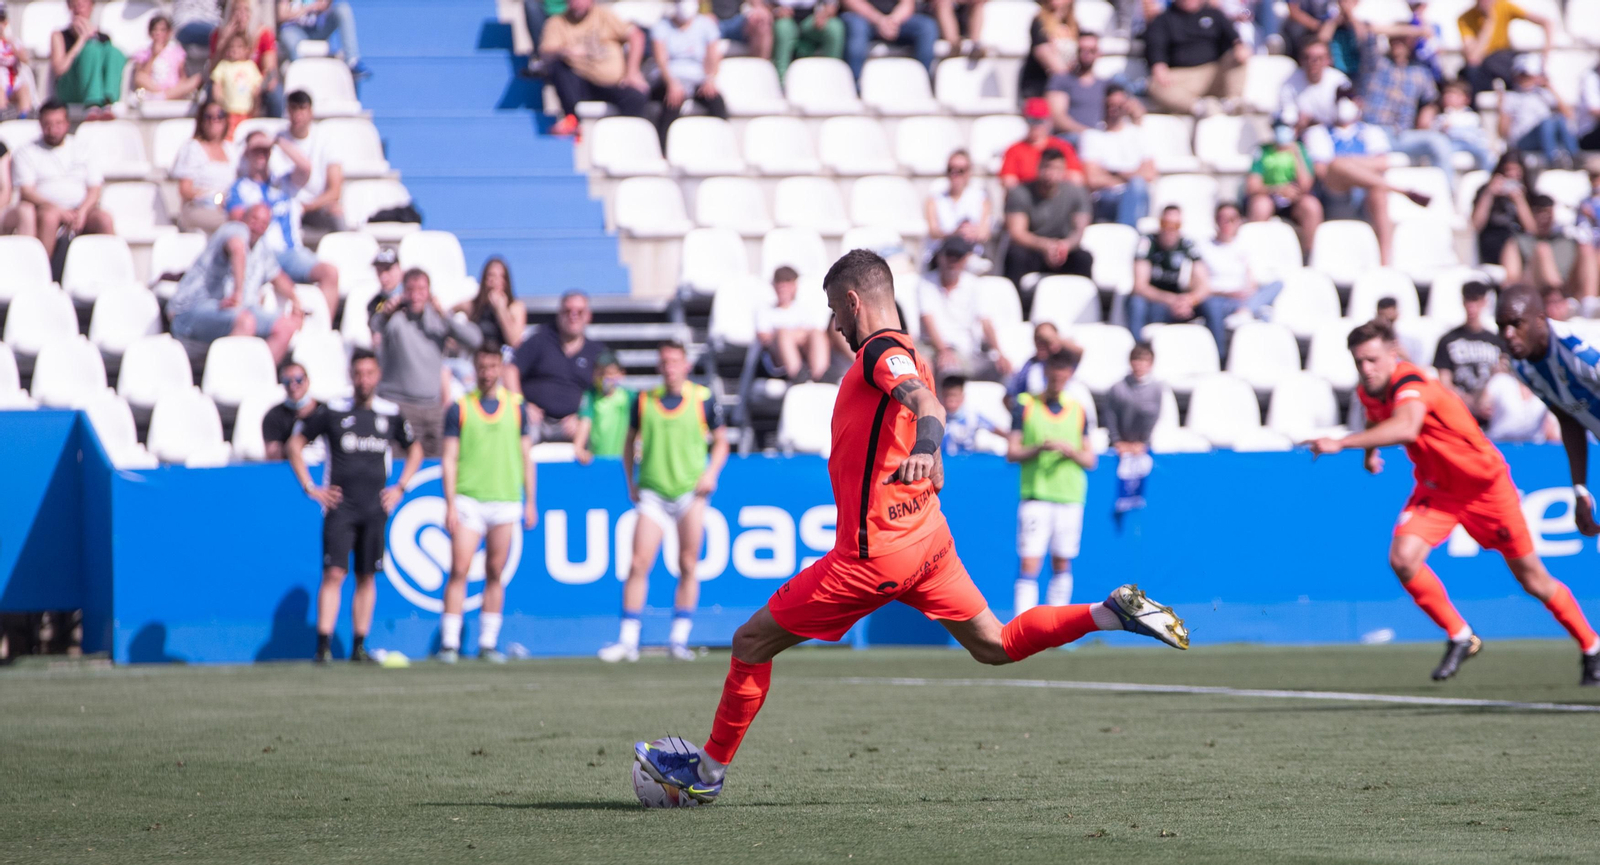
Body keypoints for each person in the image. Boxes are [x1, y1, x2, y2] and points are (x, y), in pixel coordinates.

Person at [630, 250, 1188, 803]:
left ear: (853, 301)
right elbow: (921, 420)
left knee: (750, 641)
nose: (835, 325)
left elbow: (925, 405)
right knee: (995, 643)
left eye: (834, 310)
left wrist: (926, 445)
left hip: (872, 557)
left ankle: (707, 772)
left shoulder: (881, 352)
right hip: (928, 544)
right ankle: (1108, 612)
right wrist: (928, 458)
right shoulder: (912, 353)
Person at [1305, 318, 1599, 685]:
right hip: (1438, 489)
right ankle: (1461, 635)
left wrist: (1343, 442)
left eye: (1373, 360)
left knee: (1533, 580)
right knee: (1402, 558)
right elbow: (1376, 417)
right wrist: (1369, 453)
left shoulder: (1411, 384)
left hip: (1485, 489)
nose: (1366, 369)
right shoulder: (1370, 392)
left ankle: (1591, 646)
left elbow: (1407, 426)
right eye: (1359, 362)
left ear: (1393, 354)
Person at [288, 349, 424, 664]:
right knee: (334, 572)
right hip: (341, 506)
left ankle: (359, 645)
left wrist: (400, 487)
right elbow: (294, 445)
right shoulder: (333, 411)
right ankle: (322, 646)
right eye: (358, 374)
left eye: (369, 373)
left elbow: (415, 449)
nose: (364, 380)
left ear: (378, 376)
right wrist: (311, 487)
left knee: (367, 575)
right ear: (352, 376)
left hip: (375, 507)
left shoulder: (389, 413)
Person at [599, 341, 731, 663]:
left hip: (690, 493)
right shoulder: (644, 401)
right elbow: (628, 443)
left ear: (686, 365)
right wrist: (631, 479)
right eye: (665, 361)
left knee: (687, 564)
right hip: (654, 493)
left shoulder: (702, 399)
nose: (670, 367)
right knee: (638, 563)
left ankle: (678, 639)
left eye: (675, 361)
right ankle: (628, 640)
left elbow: (722, 441)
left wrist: (710, 473)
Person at [1496, 286, 1600, 683]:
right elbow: (1569, 419)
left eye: (1516, 324)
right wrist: (1580, 490)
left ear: (1541, 321)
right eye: (1502, 325)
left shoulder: (1580, 350)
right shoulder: (1525, 368)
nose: (1507, 333)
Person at [437, 343, 538, 664]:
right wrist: (450, 502)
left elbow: (526, 456)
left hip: (505, 498)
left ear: (500, 368)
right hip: (469, 499)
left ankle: (488, 641)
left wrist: (530, 500)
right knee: (460, 568)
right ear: (475, 368)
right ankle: (450, 643)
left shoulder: (517, 407)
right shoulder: (460, 407)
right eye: (482, 366)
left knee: (495, 570)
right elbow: (450, 458)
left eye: (493, 366)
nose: (487, 372)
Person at [1007, 348, 1094, 618]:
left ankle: (1055, 625)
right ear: (1046, 373)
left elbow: (1090, 459)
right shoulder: (1025, 404)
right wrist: (1039, 449)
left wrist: (1069, 451)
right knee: (1029, 562)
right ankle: (1024, 625)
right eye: (1053, 375)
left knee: (1062, 562)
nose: (1058, 380)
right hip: (1036, 495)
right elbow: (1012, 452)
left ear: (1069, 376)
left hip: (1069, 497)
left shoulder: (1078, 410)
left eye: (1063, 375)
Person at [226, 131, 341, 319]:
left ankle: (323, 335)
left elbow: (305, 167)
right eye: (256, 150)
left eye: (265, 150)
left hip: (291, 253)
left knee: (330, 273)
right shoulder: (238, 188)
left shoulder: (284, 183)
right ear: (246, 153)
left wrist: (277, 141)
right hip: (260, 255)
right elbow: (238, 221)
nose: (261, 154)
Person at [370, 268, 484, 457]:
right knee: (401, 469)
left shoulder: (438, 321)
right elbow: (375, 327)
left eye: (421, 290)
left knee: (437, 468)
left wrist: (444, 315)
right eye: (410, 289)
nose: (416, 295)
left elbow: (475, 340)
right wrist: (385, 313)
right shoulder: (395, 319)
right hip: (399, 405)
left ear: (429, 292)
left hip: (433, 409)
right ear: (403, 292)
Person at [167, 204, 303, 361]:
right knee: (245, 321)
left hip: (236, 312)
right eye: (254, 218)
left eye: (264, 223)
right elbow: (237, 249)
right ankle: (229, 377)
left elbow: (278, 276)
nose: (257, 225)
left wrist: (296, 301)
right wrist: (238, 294)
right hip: (190, 310)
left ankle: (257, 377)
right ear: (244, 218)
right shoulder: (234, 229)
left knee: (286, 326)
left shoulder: (262, 247)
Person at [1302, 89, 1420, 266]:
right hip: (1335, 198)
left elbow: (1383, 163)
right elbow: (1322, 170)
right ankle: (1401, 190)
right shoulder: (1318, 133)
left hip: (1364, 201)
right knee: (1336, 167)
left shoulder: (1371, 132)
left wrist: (1348, 163)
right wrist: (1352, 165)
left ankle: (1386, 261)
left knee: (1378, 193)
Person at [10, 100, 114, 261]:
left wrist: (83, 211)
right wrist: (59, 209)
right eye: (48, 124)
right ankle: (42, 273)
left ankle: (112, 270)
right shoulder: (26, 151)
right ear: (40, 124)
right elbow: (27, 191)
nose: (53, 130)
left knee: (104, 219)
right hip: (45, 208)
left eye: (58, 123)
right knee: (49, 217)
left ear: (67, 123)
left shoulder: (84, 148)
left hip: (81, 209)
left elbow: (95, 188)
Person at [1359, 33, 1459, 189]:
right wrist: (1408, 28)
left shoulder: (1420, 72)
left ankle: (1448, 196)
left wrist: (1429, 111)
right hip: (1373, 131)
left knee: (1439, 142)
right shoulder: (1377, 63)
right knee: (1367, 158)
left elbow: (1432, 99)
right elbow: (1368, 33)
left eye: (1403, 39)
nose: (1398, 43)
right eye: (1395, 39)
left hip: (1401, 134)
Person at [510, 290, 609, 442]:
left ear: (588, 316)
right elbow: (510, 370)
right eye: (567, 311)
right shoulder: (540, 340)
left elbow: (606, 391)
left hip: (575, 424)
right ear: (559, 314)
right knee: (517, 437)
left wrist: (583, 417)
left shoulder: (596, 352)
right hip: (535, 422)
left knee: (597, 436)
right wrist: (522, 406)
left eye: (579, 312)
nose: (573, 315)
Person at [541, 0, 648, 137]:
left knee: (637, 97)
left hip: (612, 83)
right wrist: (565, 52)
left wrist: (632, 72)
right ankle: (571, 119)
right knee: (558, 67)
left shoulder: (604, 16)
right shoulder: (557, 22)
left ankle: (626, 138)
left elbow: (636, 36)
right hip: (580, 84)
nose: (578, 3)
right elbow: (546, 54)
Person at [1127, 205, 1222, 346]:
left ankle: (1220, 356)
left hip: (1181, 304)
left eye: (1176, 225)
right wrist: (1171, 300)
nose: (1170, 230)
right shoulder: (1147, 243)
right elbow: (1140, 286)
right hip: (1155, 303)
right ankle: (1139, 352)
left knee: (1212, 304)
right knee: (1136, 302)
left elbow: (1204, 284)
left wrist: (1190, 300)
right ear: (1160, 224)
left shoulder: (1187, 244)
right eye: (1166, 224)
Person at [919, 236, 1006, 380]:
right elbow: (928, 320)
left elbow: (985, 321)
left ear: (966, 259)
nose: (952, 262)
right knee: (927, 365)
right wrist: (943, 350)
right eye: (949, 255)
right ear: (940, 256)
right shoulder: (926, 283)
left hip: (964, 350)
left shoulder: (974, 285)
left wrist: (1000, 353)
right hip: (933, 348)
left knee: (1002, 370)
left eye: (958, 257)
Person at [1003, 148, 1094, 286]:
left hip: (1064, 249)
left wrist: (1066, 246)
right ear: (1038, 167)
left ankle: (1083, 303)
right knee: (1015, 256)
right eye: (1047, 167)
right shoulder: (1020, 192)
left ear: (1064, 171)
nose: (1051, 173)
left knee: (1084, 258)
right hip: (1032, 249)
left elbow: (1080, 230)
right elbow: (1017, 233)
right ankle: (1013, 303)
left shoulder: (1076, 193)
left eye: (1057, 168)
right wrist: (1045, 245)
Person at [1144, 0, 1250, 116]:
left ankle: (1233, 102)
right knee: (1154, 85)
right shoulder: (1163, 19)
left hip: (1214, 73)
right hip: (1184, 77)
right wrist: (1158, 66)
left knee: (1238, 56)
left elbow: (1234, 39)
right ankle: (1199, 108)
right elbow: (1156, 48)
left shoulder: (1214, 14)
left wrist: (1240, 47)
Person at [650, 1, 729, 151]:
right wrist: (672, 83)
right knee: (672, 102)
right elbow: (661, 59)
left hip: (698, 79)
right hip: (670, 79)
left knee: (716, 100)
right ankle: (663, 151)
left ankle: (722, 147)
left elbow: (713, 55)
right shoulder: (661, 26)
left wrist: (710, 79)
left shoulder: (705, 24)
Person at [1201, 202, 1283, 337]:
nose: (1227, 223)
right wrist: (1228, 293)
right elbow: (1199, 285)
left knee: (1277, 284)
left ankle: (1245, 311)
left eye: (1232, 219)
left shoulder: (1244, 244)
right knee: (1213, 305)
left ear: (1239, 221)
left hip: (1244, 298)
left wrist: (1249, 290)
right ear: (1216, 220)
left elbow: (1251, 276)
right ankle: (1247, 312)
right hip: (1220, 298)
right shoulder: (1205, 247)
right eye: (1223, 219)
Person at [1078, 86, 1155, 227]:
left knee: (1137, 188)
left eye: (1119, 105)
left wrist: (1114, 172)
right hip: (1107, 198)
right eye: (1110, 105)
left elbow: (1149, 174)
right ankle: (1129, 235)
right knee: (1135, 187)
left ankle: (1127, 234)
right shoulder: (1092, 136)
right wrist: (1132, 175)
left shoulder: (1139, 134)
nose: (1114, 109)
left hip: (1137, 194)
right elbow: (1093, 179)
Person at [1244, 116, 1322, 256]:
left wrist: (1296, 154)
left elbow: (1306, 185)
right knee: (1260, 206)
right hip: (1269, 197)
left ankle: (1309, 255)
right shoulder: (1263, 151)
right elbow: (1252, 186)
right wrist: (1278, 189)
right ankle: (1255, 254)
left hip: (1294, 199)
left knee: (1311, 206)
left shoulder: (1302, 150)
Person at [274, 91, 345, 243]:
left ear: (311, 112)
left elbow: (335, 191)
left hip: (315, 207)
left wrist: (307, 207)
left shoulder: (326, 140)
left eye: (302, 108)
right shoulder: (279, 140)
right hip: (284, 207)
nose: (297, 114)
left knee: (337, 217)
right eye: (293, 108)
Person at [1501, 194, 1597, 300]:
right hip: (1534, 291)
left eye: (1548, 213)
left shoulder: (1565, 239)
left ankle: (1589, 302)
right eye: (1540, 212)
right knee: (1542, 249)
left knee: (1587, 249)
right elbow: (1511, 279)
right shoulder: (1517, 241)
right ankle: (1556, 299)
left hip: (1568, 289)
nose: (1545, 218)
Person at [1433, 281, 1504, 417]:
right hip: (1458, 407)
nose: (1471, 307)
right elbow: (1444, 382)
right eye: (1468, 301)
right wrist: (1468, 402)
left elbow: (1503, 377)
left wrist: (1484, 398)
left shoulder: (1496, 341)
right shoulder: (1447, 340)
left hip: (1490, 406)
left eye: (1476, 301)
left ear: (1484, 302)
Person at [1046, 33, 1133, 140]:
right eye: (1082, 50)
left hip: (1098, 141)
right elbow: (1057, 118)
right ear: (1076, 52)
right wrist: (1088, 134)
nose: (1086, 54)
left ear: (1099, 53)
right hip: (1069, 139)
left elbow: (1132, 107)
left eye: (1092, 50)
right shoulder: (1062, 80)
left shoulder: (1106, 84)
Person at [1499, 54, 1580, 168]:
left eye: (1529, 75)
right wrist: (1501, 107)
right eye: (1523, 75)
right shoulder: (1510, 97)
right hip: (1523, 140)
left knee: (1559, 120)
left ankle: (1575, 156)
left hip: (1546, 137)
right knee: (1547, 122)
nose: (1526, 79)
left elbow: (1568, 114)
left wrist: (1549, 87)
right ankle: (1552, 160)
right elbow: (1503, 131)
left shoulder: (1544, 93)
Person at [170, 99, 238, 233]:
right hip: (198, 208)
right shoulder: (192, 148)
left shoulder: (231, 149)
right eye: (209, 116)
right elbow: (185, 190)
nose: (214, 120)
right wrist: (214, 198)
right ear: (201, 120)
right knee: (233, 224)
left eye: (220, 116)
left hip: (228, 207)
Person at [49, 0, 125, 118]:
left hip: (96, 89)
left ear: (91, 6)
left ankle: (108, 101)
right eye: (75, 4)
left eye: (83, 4)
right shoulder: (59, 35)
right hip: (70, 88)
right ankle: (92, 103)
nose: (79, 8)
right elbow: (59, 70)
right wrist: (81, 40)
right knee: (91, 50)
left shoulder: (103, 38)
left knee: (114, 52)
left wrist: (93, 37)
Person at [1458, 0, 1551, 96]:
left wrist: (1545, 56)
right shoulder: (1465, 18)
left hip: (1503, 58)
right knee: (1471, 71)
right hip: (1486, 65)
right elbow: (1473, 58)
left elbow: (1547, 22)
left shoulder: (1504, 5)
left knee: (1525, 65)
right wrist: (1489, 22)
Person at [757, 266, 831, 382]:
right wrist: (790, 335)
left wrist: (793, 336)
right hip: (776, 357)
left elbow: (810, 332)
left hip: (803, 351)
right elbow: (765, 338)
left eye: (787, 284)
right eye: (780, 284)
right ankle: (797, 375)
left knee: (817, 334)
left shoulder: (803, 310)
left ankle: (821, 375)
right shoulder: (766, 311)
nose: (783, 289)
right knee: (783, 334)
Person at [211, 0, 283, 118]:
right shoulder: (218, 35)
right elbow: (212, 71)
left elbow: (270, 70)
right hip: (227, 84)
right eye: (236, 10)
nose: (241, 15)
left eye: (245, 10)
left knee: (276, 93)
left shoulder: (264, 34)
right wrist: (224, 41)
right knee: (211, 90)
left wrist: (257, 86)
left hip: (255, 84)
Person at [923, 149, 992, 270]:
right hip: (941, 255)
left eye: (961, 170)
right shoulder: (934, 199)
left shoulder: (981, 199)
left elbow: (985, 233)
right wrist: (954, 233)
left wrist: (973, 233)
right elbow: (933, 232)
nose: (955, 174)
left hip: (970, 253)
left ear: (969, 172)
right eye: (951, 169)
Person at [840, 0, 938, 82]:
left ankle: (921, 83)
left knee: (927, 27)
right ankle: (855, 86)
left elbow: (907, 4)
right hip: (862, 17)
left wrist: (893, 21)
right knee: (857, 28)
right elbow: (850, 1)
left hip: (895, 20)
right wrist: (879, 20)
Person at [999, 98, 1084, 189]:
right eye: (1032, 121)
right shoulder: (1015, 149)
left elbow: (1076, 178)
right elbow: (1008, 181)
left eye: (1041, 121)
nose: (1037, 126)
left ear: (1048, 121)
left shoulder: (1062, 147)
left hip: (1057, 196)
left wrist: (1052, 178)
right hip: (1028, 199)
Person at [1471, 152, 1536, 266]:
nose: (1511, 175)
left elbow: (1532, 229)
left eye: (1516, 171)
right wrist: (1489, 194)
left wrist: (1519, 201)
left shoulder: (1528, 193)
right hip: (1493, 242)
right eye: (1507, 171)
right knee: (1509, 244)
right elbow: (1476, 225)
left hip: (1520, 243)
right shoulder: (1486, 191)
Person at [452, 257, 527, 354]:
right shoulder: (473, 305)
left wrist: (500, 309)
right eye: (491, 276)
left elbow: (515, 342)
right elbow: (447, 312)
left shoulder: (515, 306)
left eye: (501, 277)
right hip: (477, 360)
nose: (495, 281)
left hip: (503, 361)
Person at [277, 0, 369, 78]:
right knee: (286, 36)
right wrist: (307, 8)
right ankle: (301, 74)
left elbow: (323, 5)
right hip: (296, 30)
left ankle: (352, 61)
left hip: (318, 28)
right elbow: (282, 14)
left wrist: (320, 5)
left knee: (343, 8)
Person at [574, 352, 631, 463]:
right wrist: (579, 448)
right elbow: (585, 422)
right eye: (600, 374)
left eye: (609, 373)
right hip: (597, 460)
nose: (605, 378)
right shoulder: (590, 396)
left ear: (620, 374)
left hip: (623, 460)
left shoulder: (629, 396)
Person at [1280, 40, 1349, 131]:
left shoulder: (1340, 81)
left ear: (1328, 60)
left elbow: (1347, 117)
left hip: (1337, 131)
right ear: (1301, 60)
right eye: (1307, 58)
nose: (1313, 62)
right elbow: (1288, 117)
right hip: (1305, 132)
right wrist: (1299, 122)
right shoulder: (1289, 83)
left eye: (1319, 58)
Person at [1106, 342, 1161, 454]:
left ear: (1151, 363)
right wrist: (1117, 442)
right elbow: (1110, 416)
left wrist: (1142, 443)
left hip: (1144, 447)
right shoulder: (1117, 388)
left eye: (1144, 360)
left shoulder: (1156, 389)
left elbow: (1153, 418)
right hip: (1118, 447)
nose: (1139, 364)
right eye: (1136, 360)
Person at [132, 14, 202, 102]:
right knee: (139, 77)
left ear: (169, 32)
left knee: (197, 79)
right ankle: (161, 96)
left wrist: (177, 89)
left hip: (173, 90)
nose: (158, 33)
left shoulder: (176, 51)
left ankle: (163, 97)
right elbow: (141, 77)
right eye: (155, 30)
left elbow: (182, 76)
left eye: (162, 30)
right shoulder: (144, 52)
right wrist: (154, 55)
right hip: (153, 89)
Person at [263, 361, 323, 460]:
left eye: (298, 380)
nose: (293, 385)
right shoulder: (274, 415)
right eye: (287, 381)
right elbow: (273, 456)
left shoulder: (324, 412)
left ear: (307, 381)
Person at [1431, 79, 1494, 173]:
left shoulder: (1472, 116)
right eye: (1447, 95)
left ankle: (1489, 176)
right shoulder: (1441, 118)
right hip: (1452, 144)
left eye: (1454, 95)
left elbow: (1480, 134)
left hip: (1471, 142)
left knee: (1487, 154)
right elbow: (1436, 135)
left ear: (1466, 99)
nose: (1449, 98)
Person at [1019, 0, 1077, 102]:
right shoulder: (1039, 22)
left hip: (1065, 89)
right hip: (1039, 89)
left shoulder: (1074, 25)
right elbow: (1043, 53)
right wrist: (1072, 82)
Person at [771, 0, 843, 81]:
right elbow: (764, 5)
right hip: (783, 16)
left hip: (812, 14)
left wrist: (824, 13)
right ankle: (782, 82)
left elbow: (832, 4)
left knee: (834, 28)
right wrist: (775, 11)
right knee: (783, 28)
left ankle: (831, 79)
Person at [211, 32, 264, 137]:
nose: (235, 50)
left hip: (247, 111)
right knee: (230, 136)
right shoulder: (223, 65)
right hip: (229, 111)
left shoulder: (250, 66)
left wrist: (256, 104)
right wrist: (219, 101)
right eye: (231, 47)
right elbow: (217, 85)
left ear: (246, 50)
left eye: (239, 47)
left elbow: (257, 87)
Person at [939, 375, 1002, 455]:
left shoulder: (972, 417)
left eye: (954, 397)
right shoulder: (936, 418)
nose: (951, 401)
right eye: (947, 396)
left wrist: (1012, 439)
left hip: (966, 464)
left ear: (962, 397)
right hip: (944, 463)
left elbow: (994, 428)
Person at [1005, 321, 1064, 402]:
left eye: (1045, 340)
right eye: (1038, 339)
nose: (1041, 343)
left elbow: (1079, 351)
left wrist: (1054, 341)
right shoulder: (1030, 365)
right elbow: (1010, 394)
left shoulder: (1064, 361)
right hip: (1033, 411)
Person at [0, 3, 35, 120]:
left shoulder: (14, 42)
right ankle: (3, 116)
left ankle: (24, 118)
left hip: (13, 83)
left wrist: (11, 44)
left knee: (24, 89)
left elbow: (25, 59)